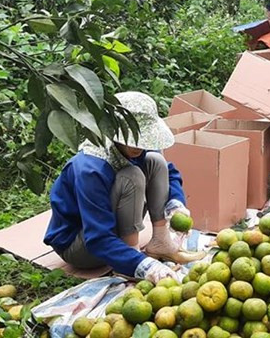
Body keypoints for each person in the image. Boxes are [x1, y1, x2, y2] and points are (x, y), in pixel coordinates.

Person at [43, 91, 198, 283]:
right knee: (131, 176)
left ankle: (161, 241)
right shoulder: (90, 168)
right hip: (82, 245)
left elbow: (169, 173)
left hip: (110, 226)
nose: (138, 147)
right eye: (133, 141)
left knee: (155, 160)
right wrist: (141, 265)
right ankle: (129, 258)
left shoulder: (140, 146)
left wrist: (176, 205)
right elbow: (97, 237)